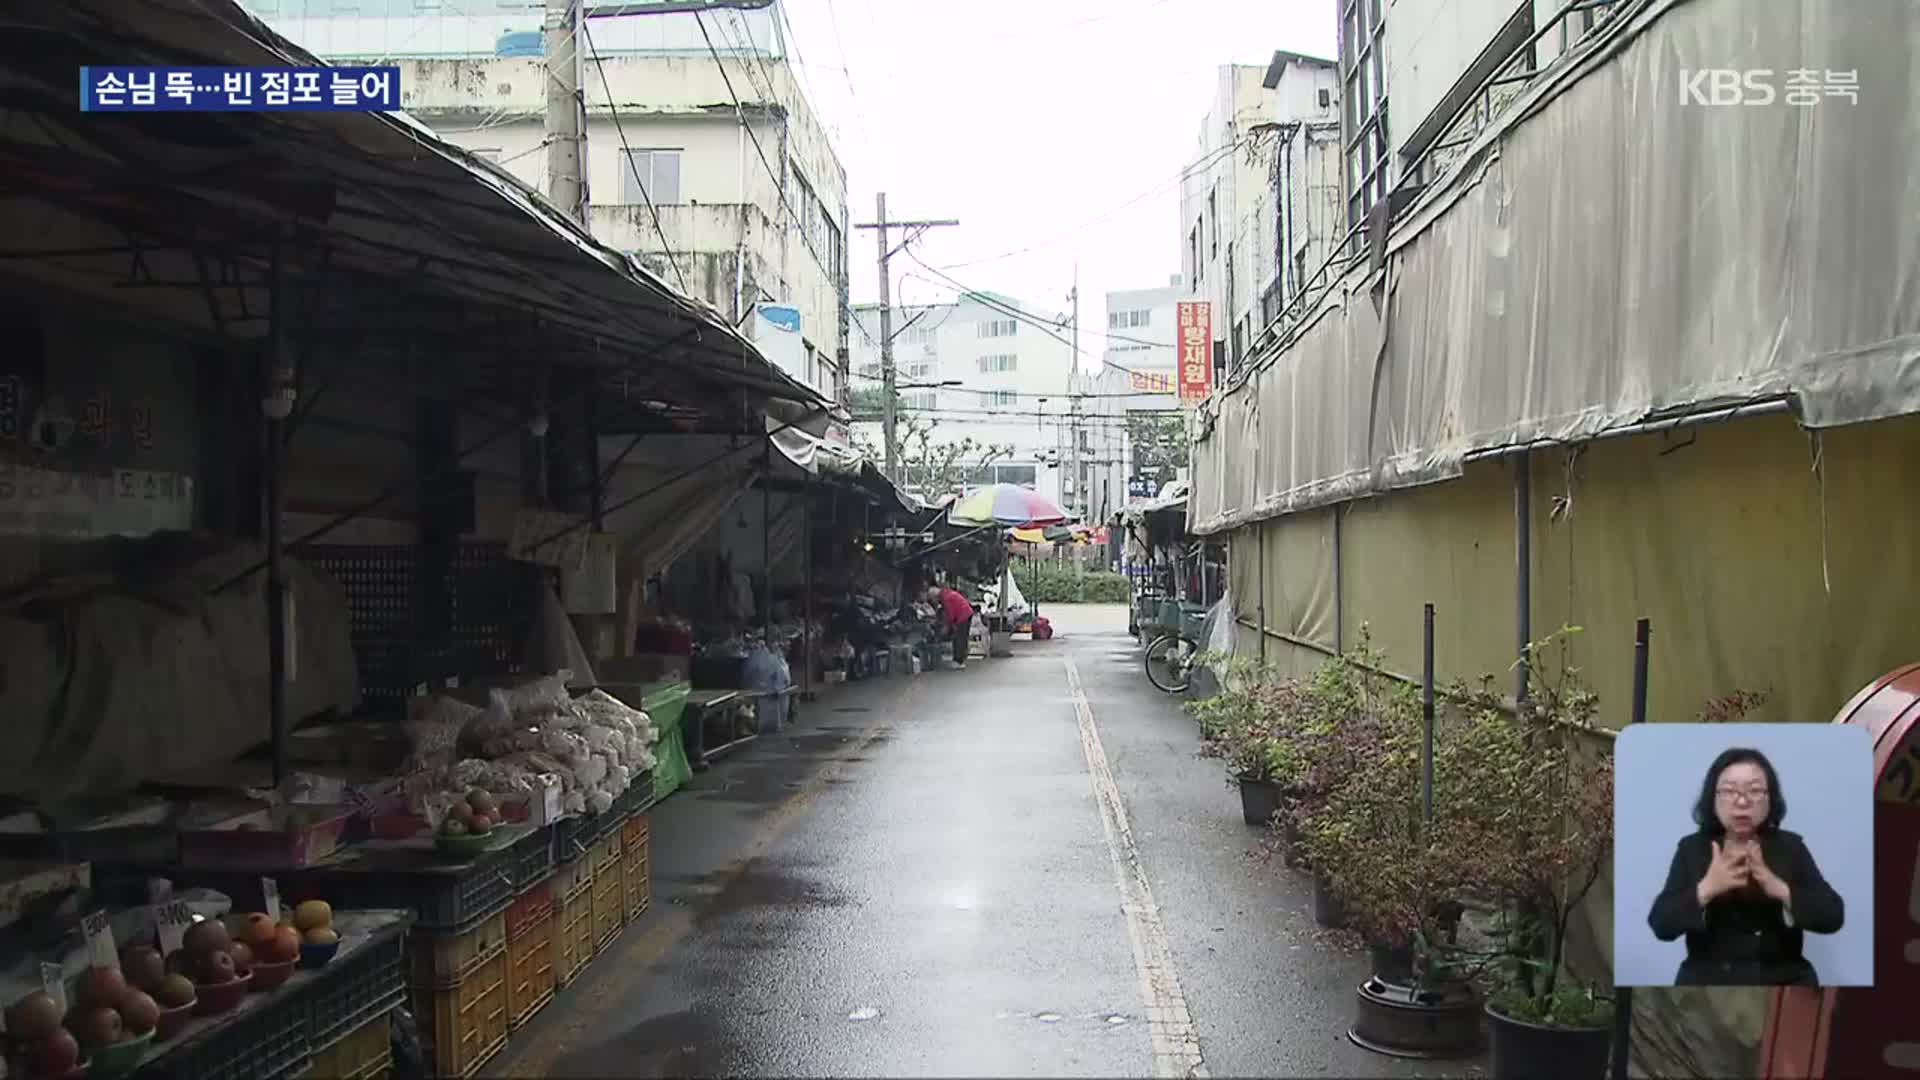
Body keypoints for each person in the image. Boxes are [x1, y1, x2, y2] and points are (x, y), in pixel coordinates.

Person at [1647, 747, 1845, 986]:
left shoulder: (1790, 847)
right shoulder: (1692, 849)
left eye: (1754, 790)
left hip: (1782, 981)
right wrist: (1707, 888)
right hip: (1708, 984)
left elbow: (1833, 916)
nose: (1742, 801)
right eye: (1729, 791)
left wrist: (1778, 887)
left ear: (1770, 798)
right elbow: (1661, 924)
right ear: (1713, 798)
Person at [929, 584, 974, 669]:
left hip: (963, 615)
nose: (934, 601)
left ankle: (959, 661)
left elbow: (950, 614)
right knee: (961, 637)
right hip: (965, 613)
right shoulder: (945, 594)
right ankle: (959, 659)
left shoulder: (945, 598)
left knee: (959, 638)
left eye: (932, 599)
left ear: (935, 596)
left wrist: (947, 626)